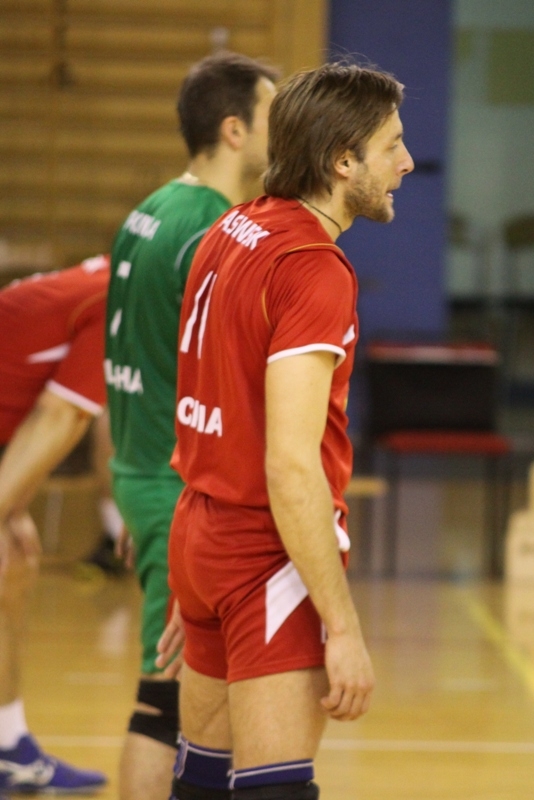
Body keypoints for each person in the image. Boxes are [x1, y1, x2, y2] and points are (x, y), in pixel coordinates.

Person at [162, 60, 414, 800]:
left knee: (200, 784)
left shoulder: (230, 227)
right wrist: (343, 626)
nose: (406, 162)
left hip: (200, 532)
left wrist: (195, 572)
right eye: (392, 145)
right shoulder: (313, 267)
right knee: (273, 789)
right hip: (264, 552)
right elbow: (292, 465)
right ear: (342, 161)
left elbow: (208, 396)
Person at [104, 51, 279, 800]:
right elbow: (219, 385)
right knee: (166, 702)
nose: (284, 132)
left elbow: (125, 358)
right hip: (179, 487)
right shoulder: (214, 229)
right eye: (273, 117)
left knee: (181, 698)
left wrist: (133, 486)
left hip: (145, 473)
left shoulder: (148, 211)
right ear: (235, 130)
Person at [0, 255, 111, 794]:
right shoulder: (120, 301)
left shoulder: (113, 276)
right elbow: (61, 413)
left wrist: (13, 504)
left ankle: (8, 746)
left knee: (11, 569)